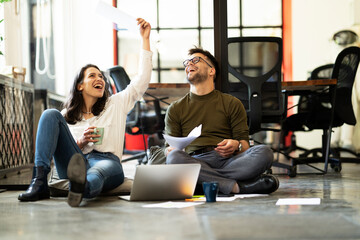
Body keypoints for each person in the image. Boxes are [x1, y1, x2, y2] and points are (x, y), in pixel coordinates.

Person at [18, 18, 152, 207]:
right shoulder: (66, 116)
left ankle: (82, 188)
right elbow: (67, 151)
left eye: (101, 76)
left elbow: (142, 80)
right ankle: (39, 181)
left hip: (106, 161)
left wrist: (144, 39)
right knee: (50, 114)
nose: (100, 79)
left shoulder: (116, 103)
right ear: (80, 85)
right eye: (92, 76)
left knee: (95, 173)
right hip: (76, 160)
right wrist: (80, 143)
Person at [165, 47, 279, 195]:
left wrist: (236, 145)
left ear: (211, 70)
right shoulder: (175, 108)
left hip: (227, 162)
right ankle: (236, 187)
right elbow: (169, 149)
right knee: (174, 158)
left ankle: (201, 184)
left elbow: (244, 145)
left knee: (264, 152)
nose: (189, 64)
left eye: (195, 60)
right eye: (186, 62)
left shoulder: (231, 103)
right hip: (195, 161)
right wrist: (170, 150)